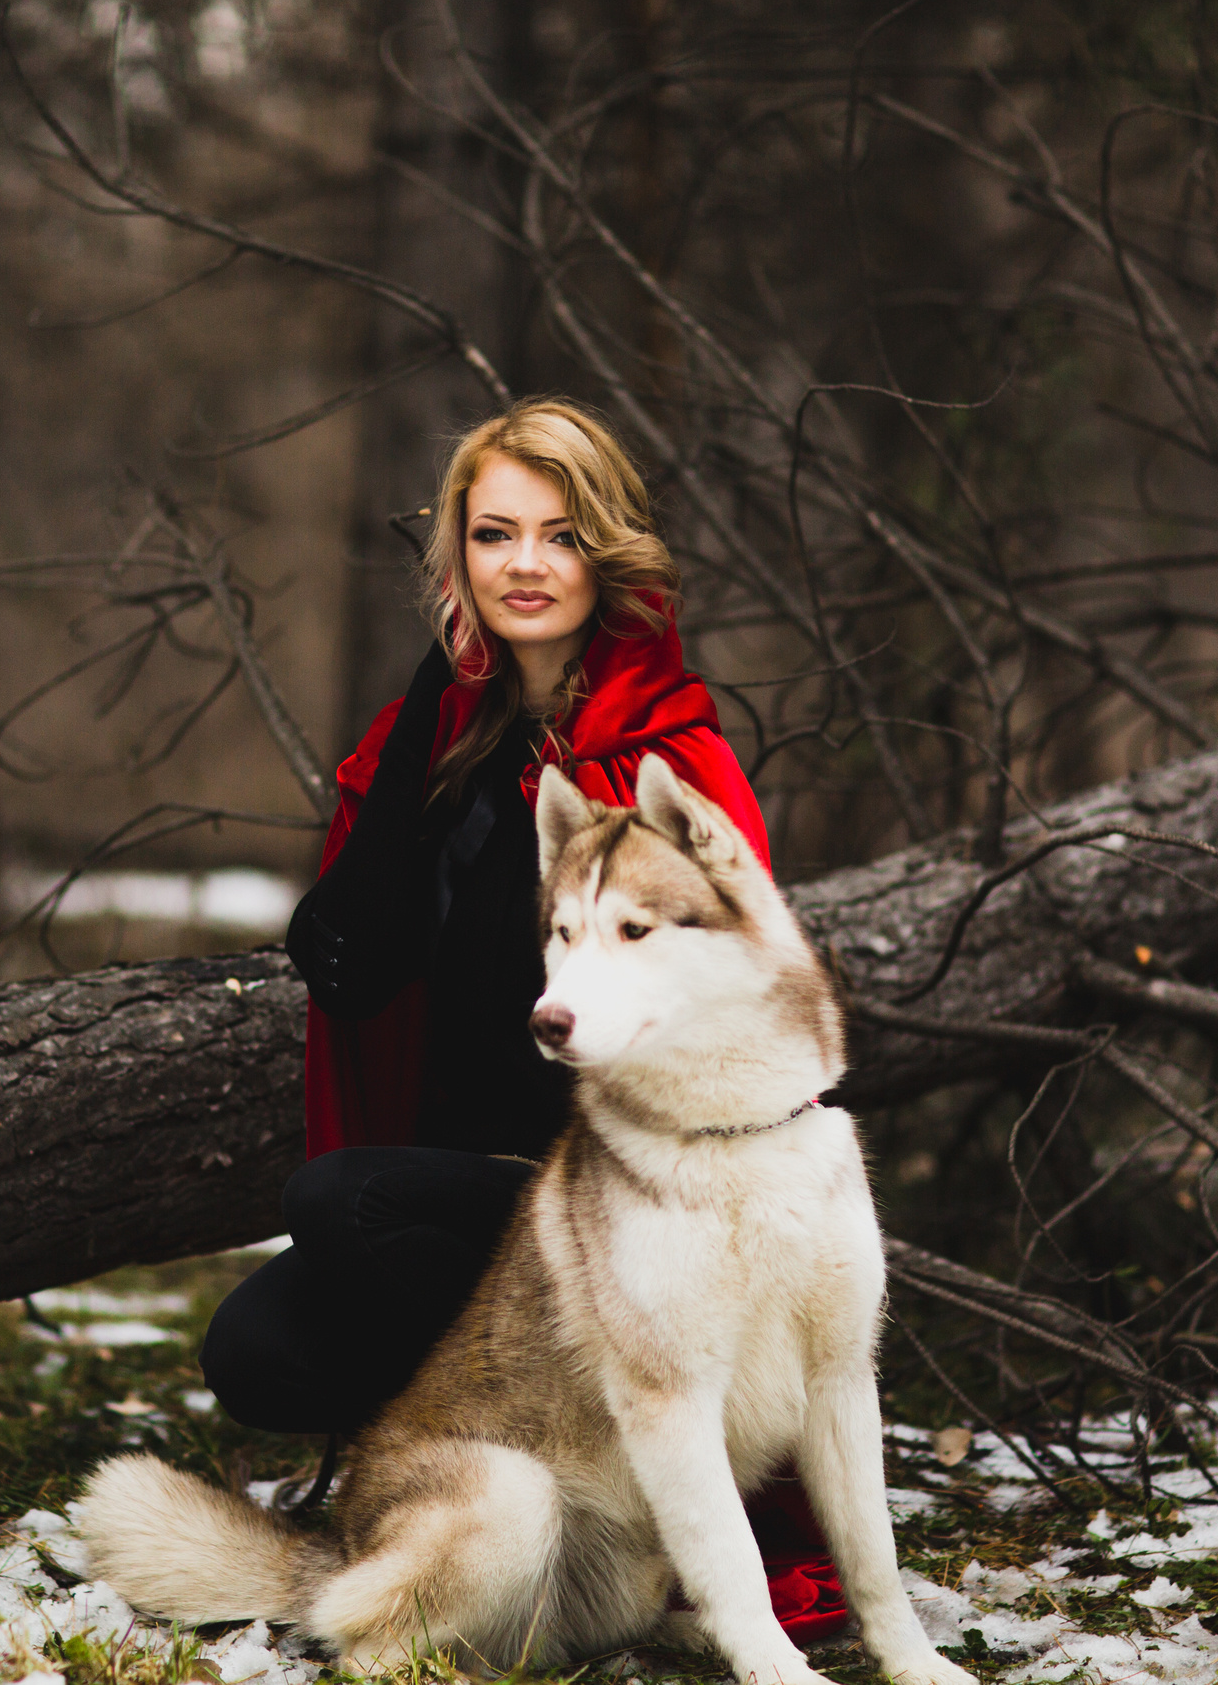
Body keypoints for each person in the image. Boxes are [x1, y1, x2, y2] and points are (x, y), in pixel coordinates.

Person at [199, 397, 848, 1642]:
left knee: (339, 1202)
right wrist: (435, 691)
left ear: (607, 555)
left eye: (560, 535)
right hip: (473, 1190)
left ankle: (645, 1509)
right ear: (458, 556)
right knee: (257, 1351)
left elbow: (727, 1015)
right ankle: (506, 1500)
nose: (526, 565)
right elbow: (346, 961)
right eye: (494, 536)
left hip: (630, 1198)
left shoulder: (664, 759)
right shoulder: (442, 742)